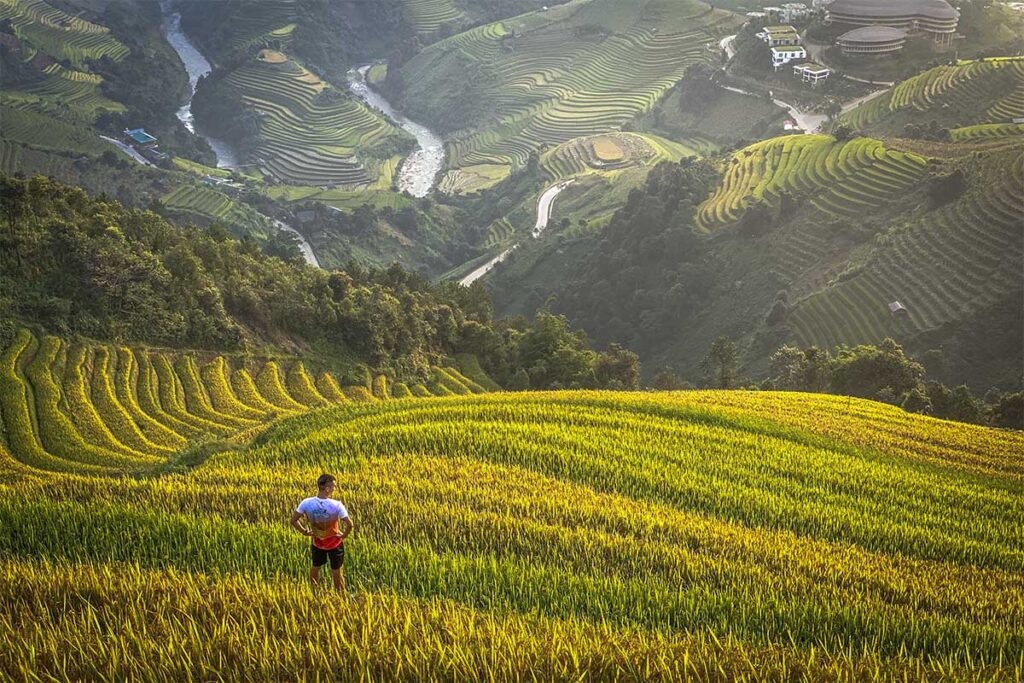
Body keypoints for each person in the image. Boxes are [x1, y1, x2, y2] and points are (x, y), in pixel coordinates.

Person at [291, 473, 353, 592]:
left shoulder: (306, 503)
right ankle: (340, 595)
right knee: (336, 570)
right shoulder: (336, 505)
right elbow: (350, 524)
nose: (335, 489)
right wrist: (343, 535)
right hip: (334, 543)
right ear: (328, 488)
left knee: (315, 567)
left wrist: (304, 532)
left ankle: (315, 591)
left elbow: (293, 521)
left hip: (317, 543)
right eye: (334, 486)